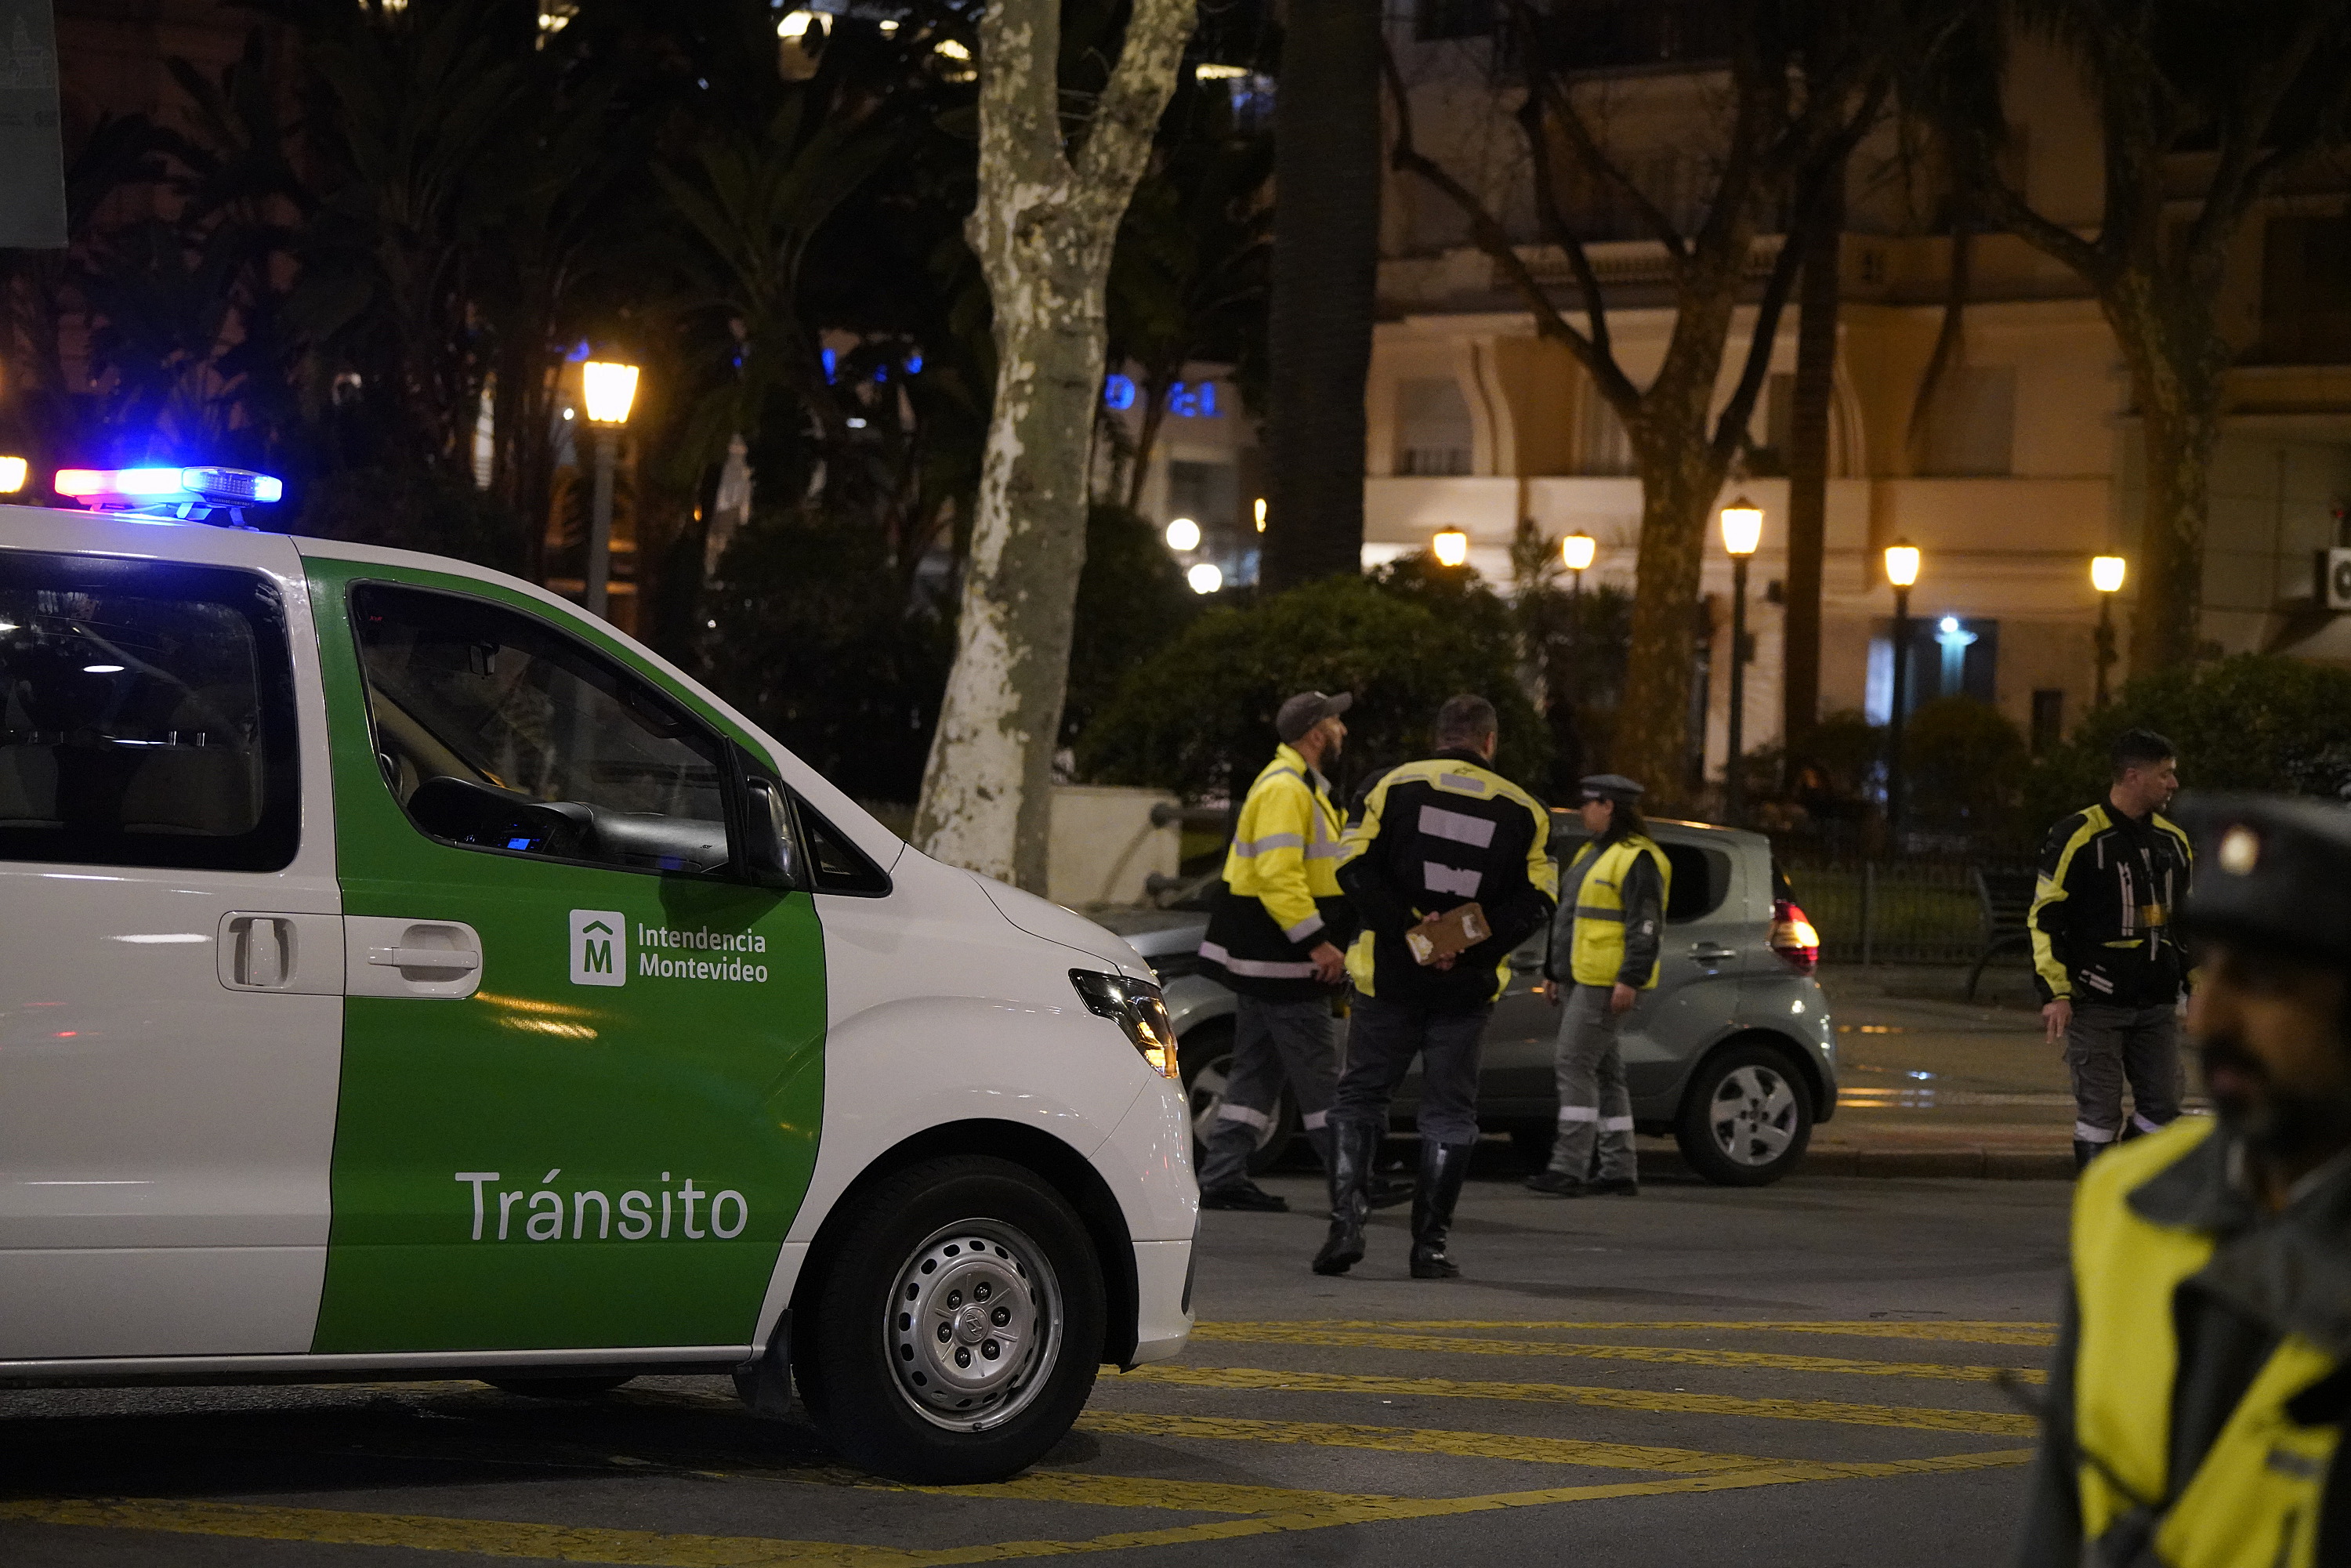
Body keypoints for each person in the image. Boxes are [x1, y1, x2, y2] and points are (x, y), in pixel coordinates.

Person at [2016, 792, 2351, 1568]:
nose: (2207, 1020)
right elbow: (2059, 1519)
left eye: (2260, 980)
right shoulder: (2128, 1197)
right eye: (2210, 971)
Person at [1313, 693, 1558, 1280]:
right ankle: (1430, 1249)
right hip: (1466, 986)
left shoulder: (1388, 785)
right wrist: (1460, 940)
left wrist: (1413, 930)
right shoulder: (1526, 810)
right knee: (1449, 1113)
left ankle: (1346, 1227)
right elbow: (1539, 900)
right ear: (1490, 741)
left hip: (1388, 978)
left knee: (1360, 1098)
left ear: (1439, 736)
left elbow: (1351, 868)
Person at [1193, 690, 1358, 1211]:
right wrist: (1318, 943)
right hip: (1285, 960)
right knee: (1320, 1076)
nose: (1343, 730)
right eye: (1336, 722)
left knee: (1255, 1072)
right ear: (1316, 733)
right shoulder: (1287, 788)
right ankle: (1352, 1181)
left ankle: (1222, 1174)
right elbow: (1278, 875)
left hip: (1266, 958)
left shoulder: (1297, 785)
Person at [2028, 728, 2193, 1171]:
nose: (2173, 784)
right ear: (2133, 775)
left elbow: (2186, 924)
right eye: (2165, 774)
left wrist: (2196, 986)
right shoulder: (2078, 835)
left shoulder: (2173, 841)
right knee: (2099, 1113)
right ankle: (2098, 1201)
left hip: (2156, 1003)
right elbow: (2045, 917)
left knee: (2164, 1109)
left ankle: (2119, 1183)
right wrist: (2056, 993)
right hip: (2097, 1002)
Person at [1527, 773, 1668, 1197]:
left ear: (1608, 806)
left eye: (1589, 803)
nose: (1582, 810)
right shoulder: (1593, 853)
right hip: (1583, 976)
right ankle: (1619, 1169)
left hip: (1605, 981)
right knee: (1606, 1073)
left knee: (1573, 1063)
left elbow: (1645, 925)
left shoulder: (1636, 858)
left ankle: (1569, 1167)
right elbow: (1569, 916)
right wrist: (1555, 971)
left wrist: (1630, 979)